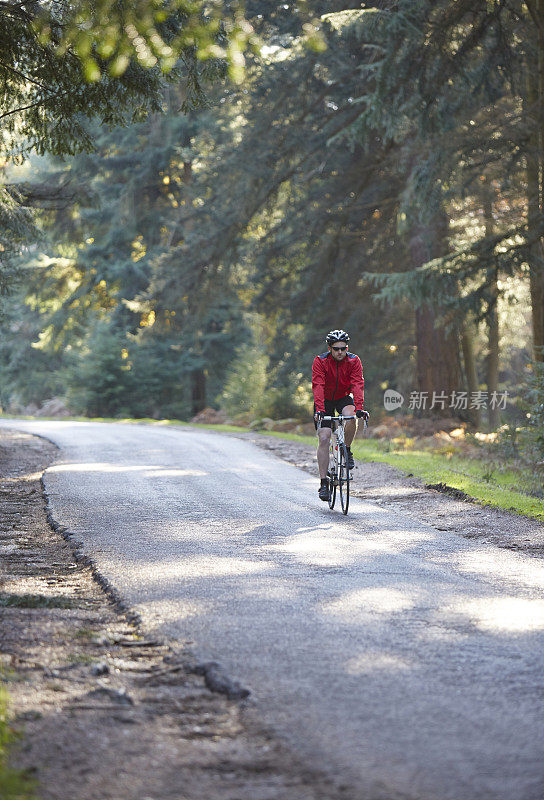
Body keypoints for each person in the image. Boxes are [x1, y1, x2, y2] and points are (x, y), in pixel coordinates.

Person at [312, 329, 367, 501]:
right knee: (324, 437)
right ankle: (323, 483)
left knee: (351, 417)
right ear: (330, 348)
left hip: (343, 397)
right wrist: (320, 409)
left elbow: (358, 383)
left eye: (343, 348)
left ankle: (347, 450)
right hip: (325, 401)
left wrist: (359, 407)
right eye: (336, 349)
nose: (340, 352)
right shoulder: (320, 361)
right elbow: (318, 385)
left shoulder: (353, 360)